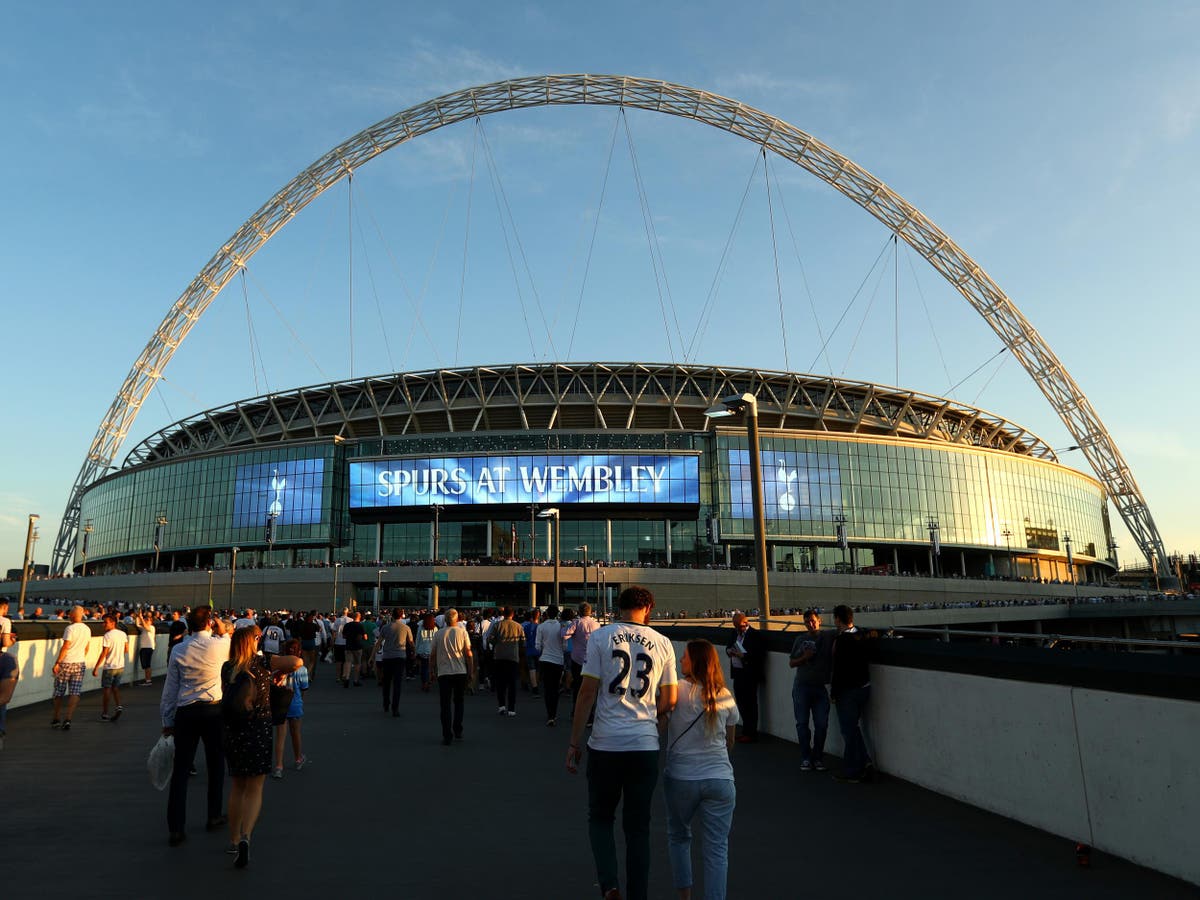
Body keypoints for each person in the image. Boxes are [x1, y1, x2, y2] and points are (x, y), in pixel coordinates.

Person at [566, 586, 678, 900]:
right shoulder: (663, 643)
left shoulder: (601, 637)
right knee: (638, 827)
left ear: (619, 607)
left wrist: (574, 743)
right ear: (649, 608)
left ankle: (609, 884)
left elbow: (587, 692)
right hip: (644, 744)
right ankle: (637, 894)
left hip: (605, 744)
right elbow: (669, 698)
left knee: (600, 817)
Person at [664, 640, 740, 900]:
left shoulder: (676, 692)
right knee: (717, 849)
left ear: (693, 662)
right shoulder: (725, 695)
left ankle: (684, 897)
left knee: (678, 836)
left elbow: (661, 720)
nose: (680, 661)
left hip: (681, 777)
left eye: (684, 657)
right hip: (719, 779)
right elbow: (730, 741)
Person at [221, 624, 301, 867]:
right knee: (255, 787)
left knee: (237, 785)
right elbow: (296, 662)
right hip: (259, 726)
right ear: (253, 643)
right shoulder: (263, 663)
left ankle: (233, 838)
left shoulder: (228, 668)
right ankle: (246, 835)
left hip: (235, 729)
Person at [160, 606, 232, 846]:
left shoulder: (179, 649)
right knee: (215, 764)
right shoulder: (220, 645)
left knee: (180, 770)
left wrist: (167, 720)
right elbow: (227, 637)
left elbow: (170, 688)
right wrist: (221, 629)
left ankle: (176, 828)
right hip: (214, 709)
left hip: (186, 711)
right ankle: (213, 814)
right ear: (209, 623)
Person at [830, 604, 873, 783]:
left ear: (838, 619)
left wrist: (833, 692)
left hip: (848, 690)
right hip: (864, 687)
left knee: (848, 730)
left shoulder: (842, 641)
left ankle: (853, 770)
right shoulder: (862, 634)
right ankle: (865, 763)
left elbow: (839, 670)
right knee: (853, 728)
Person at [789, 608, 834, 771]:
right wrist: (804, 657)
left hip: (819, 687)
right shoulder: (800, 639)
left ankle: (817, 757)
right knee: (802, 723)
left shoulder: (828, 636)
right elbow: (792, 662)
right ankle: (806, 757)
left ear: (819, 620)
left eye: (813, 620)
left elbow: (845, 631)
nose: (810, 624)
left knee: (821, 724)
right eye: (807, 621)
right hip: (802, 686)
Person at [430, 608, 473, 746]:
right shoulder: (463, 632)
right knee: (459, 701)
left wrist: (432, 670)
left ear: (445, 620)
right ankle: (458, 728)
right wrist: (470, 671)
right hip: (460, 671)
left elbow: (433, 654)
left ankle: (447, 734)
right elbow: (468, 653)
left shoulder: (438, 634)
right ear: (457, 619)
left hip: (444, 672)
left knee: (445, 704)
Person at [724, 613, 765, 743]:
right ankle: (746, 730)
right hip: (738, 673)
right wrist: (729, 651)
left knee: (751, 703)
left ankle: (751, 732)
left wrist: (744, 656)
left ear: (745, 623)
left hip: (750, 674)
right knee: (741, 702)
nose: (737, 629)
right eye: (735, 626)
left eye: (739, 626)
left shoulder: (755, 635)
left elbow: (759, 655)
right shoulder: (734, 633)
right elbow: (728, 646)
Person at [50, 606, 91, 730]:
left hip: (66, 663)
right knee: (75, 691)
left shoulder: (70, 628)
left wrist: (57, 662)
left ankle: (56, 717)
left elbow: (66, 646)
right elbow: (87, 647)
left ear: (73, 615)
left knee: (59, 691)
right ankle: (68, 718)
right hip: (80, 663)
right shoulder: (87, 629)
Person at [272, 639, 309, 776]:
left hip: (280, 703)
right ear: (299, 651)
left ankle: (278, 766)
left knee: (280, 736)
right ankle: (298, 758)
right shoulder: (302, 669)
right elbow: (304, 688)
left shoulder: (278, 667)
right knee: (295, 733)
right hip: (295, 702)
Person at [562, 601, 600, 717]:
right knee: (592, 687)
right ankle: (591, 713)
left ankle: (576, 710)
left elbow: (564, 634)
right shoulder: (596, 624)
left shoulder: (576, 622)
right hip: (592, 659)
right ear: (590, 612)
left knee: (578, 686)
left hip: (577, 659)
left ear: (579, 611)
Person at [377, 608, 414, 716]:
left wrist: (372, 656)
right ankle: (395, 707)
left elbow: (379, 642)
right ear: (402, 615)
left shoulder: (385, 627)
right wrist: (413, 652)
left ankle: (386, 702)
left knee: (386, 681)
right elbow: (411, 642)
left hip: (387, 656)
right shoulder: (406, 627)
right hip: (400, 656)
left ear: (392, 615)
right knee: (397, 683)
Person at [488, 606, 525, 716]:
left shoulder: (497, 625)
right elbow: (523, 641)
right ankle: (511, 708)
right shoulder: (518, 626)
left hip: (499, 656)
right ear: (513, 614)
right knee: (512, 683)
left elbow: (490, 638)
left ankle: (501, 706)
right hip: (513, 657)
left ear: (504, 614)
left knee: (500, 682)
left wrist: (497, 644)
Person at [92, 614, 128, 721]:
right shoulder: (123, 634)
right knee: (115, 688)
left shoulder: (107, 635)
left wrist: (96, 667)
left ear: (113, 623)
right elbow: (126, 649)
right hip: (120, 666)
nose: (103, 624)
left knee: (107, 689)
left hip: (109, 667)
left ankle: (105, 713)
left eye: (105, 622)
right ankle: (118, 705)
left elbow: (104, 653)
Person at [535, 605, 565, 725]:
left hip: (545, 659)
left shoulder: (541, 627)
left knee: (548, 688)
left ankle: (550, 715)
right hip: (558, 660)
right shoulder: (561, 626)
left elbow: (537, 646)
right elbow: (564, 645)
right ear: (557, 614)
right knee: (555, 688)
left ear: (546, 613)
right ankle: (554, 713)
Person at [0, 601, 17, 750]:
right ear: (4, 607)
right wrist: (12, 640)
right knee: (2, 698)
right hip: (2, 658)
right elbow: (5, 641)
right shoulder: (5, 621)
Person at [415, 613, 437, 691]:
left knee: (423, 667)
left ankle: (424, 682)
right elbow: (436, 641)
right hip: (431, 650)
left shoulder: (421, 627)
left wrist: (416, 651)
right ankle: (429, 680)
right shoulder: (435, 628)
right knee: (430, 667)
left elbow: (418, 639)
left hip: (422, 650)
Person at [523, 608, 541, 695]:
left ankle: (534, 687)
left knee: (531, 669)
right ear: (539, 616)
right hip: (539, 651)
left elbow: (524, 639)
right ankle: (536, 684)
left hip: (529, 650)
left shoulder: (526, 627)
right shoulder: (540, 627)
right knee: (538, 669)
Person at [136, 611, 156, 685]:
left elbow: (146, 627)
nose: (146, 620)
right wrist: (138, 616)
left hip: (148, 647)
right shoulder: (143, 628)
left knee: (147, 665)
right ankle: (147, 680)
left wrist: (141, 617)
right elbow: (137, 624)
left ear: (151, 622)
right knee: (145, 665)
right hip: (144, 647)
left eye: (148, 620)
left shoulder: (151, 627)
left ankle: (148, 681)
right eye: (146, 619)